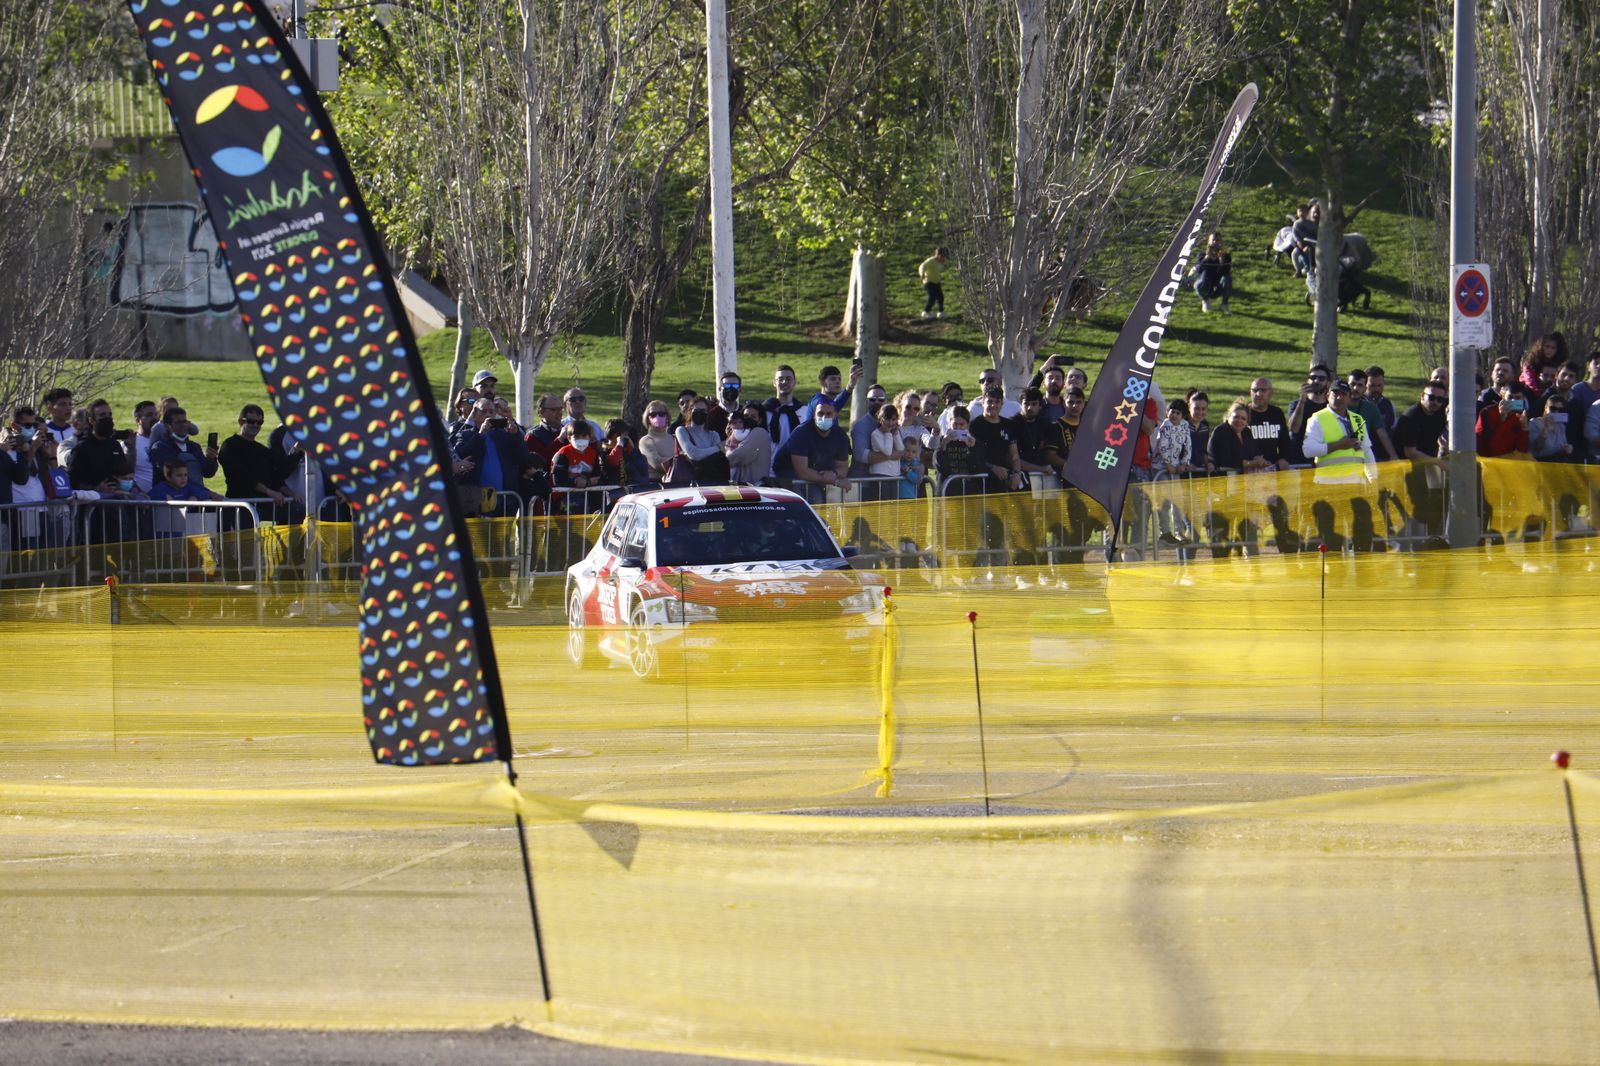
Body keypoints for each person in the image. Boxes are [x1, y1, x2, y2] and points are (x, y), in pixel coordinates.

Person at [218, 404, 298, 520]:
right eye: (251, 421)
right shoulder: (229, 445)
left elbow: (276, 476)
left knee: (297, 512)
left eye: (259, 422)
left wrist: (291, 494)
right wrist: (269, 492)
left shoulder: (262, 450)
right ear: (241, 421)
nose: (255, 425)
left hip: (265, 504)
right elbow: (241, 476)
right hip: (241, 506)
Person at [775, 398, 851, 501]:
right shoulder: (801, 433)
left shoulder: (840, 435)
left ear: (835, 415)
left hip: (819, 472)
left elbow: (843, 468)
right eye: (820, 413)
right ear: (814, 415)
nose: (824, 417)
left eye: (829, 414)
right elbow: (802, 472)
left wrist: (834, 474)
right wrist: (833, 480)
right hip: (790, 474)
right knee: (815, 498)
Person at [1302, 380, 1377, 483]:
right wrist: (1338, 445)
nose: (1339, 397)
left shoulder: (1357, 419)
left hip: (1356, 484)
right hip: (1329, 483)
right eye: (1335, 393)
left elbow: (1367, 451)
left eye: (1343, 394)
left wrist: (1373, 479)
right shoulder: (1317, 419)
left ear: (1349, 398)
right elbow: (1308, 450)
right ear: (1327, 396)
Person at [147, 406, 218, 489]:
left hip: (197, 494)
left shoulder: (194, 446)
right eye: (178, 423)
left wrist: (210, 459)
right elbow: (172, 476)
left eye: (185, 422)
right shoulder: (160, 448)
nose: (183, 425)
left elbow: (208, 473)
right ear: (167, 426)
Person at [968, 389, 1024, 492]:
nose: (993, 405)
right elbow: (972, 455)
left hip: (1003, 481)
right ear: (982, 402)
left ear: (1002, 403)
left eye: (997, 402)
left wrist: (1017, 473)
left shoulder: (1008, 425)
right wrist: (993, 468)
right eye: (989, 401)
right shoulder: (974, 425)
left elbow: (1014, 455)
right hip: (980, 482)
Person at [67, 399, 124, 495]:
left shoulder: (115, 445)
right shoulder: (82, 448)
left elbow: (124, 473)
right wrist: (95, 488)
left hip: (118, 498)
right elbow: (72, 482)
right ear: (91, 420)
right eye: (102, 415)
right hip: (93, 501)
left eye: (109, 415)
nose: (107, 418)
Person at [1345, 369, 1398, 461]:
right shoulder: (1338, 405)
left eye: (1360, 385)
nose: (1355, 388)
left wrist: (1393, 455)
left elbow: (1382, 433)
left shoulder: (1370, 408)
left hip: (1363, 456)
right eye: (1352, 384)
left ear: (1364, 388)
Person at [673, 397, 729, 484]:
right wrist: (718, 447)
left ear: (708, 413)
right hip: (687, 482)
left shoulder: (713, 435)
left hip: (711, 481)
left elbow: (718, 459)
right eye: (696, 410)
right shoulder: (681, 431)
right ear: (690, 411)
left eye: (703, 411)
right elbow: (694, 454)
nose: (700, 413)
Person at [933, 406, 984, 492]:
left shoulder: (973, 442)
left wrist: (972, 448)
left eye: (962, 424)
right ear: (949, 423)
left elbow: (979, 468)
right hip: (947, 490)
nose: (958, 428)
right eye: (955, 424)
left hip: (969, 491)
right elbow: (940, 467)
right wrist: (943, 446)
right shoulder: (942, 441)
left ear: (968, 425)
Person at [1476, 382, 1530, 457]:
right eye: (1510, 397)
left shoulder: (1521, 417)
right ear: (1503, 396)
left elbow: (1522, 450)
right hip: (1486, 460)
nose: (1513, 401)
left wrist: (1524, 428)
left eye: (1517, 398)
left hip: (1508, 461)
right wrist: (1502, 419)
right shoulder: (1487, 412)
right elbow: (1486, 446)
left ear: (1523, 399)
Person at [865, 402, 907, 499]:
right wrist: (888, 433)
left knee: (893, 504)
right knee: (882, 504)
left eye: (893, 420)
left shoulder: (893, 433)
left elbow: (901, 449)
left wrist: (895, 434)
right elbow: (887, 451)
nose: (891, 423)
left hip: (894, 474)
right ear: (880, 419)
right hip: (880, 475)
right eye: (887, 419)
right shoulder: (876, 434)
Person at [1207, 401, 1260, 475]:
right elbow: (1227, 460)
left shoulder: (1247, 432)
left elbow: (1255, 451)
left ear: (1247, 421)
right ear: (1228, 416)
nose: (1239, 421)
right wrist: (1251, 463)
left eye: (1243, 418)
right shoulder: (1220, 431)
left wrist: (1259, 459)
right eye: (1236, 417)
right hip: (1223, 476)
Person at [849, 384, 889, 478]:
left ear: (886, 402)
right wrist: (892, 455)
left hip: (883, 480)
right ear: (866, 401)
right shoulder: (860, 426)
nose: (877, 402)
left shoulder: (892, 424)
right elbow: (861, 456)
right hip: (862, 481)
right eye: (872, 399)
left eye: (881, 399)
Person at [763, 365, 804, 455]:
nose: (784, 382)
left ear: (794, 382)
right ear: (774, 383)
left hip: (798, 461)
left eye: (788, 379)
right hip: (771, 462)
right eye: (780, 379)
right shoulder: (764, 412)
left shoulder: (804, 411)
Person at [1152, 399, 1193, 479]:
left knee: (1176, 486)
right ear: (1168, 413)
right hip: (1160, 465)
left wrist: (1184, 463)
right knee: (1163, 485)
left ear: (1183, 416)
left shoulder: (1185, 425)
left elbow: (1188, 445)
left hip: (1175, 465)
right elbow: (1162, 446)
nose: (1174, 415)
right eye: (1172, 412)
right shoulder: (1166, 425)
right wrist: (1168, 465)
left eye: (1178, 413)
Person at [1192, 233, 1232, 313]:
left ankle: (1224, 304)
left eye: (1217, 240)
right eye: (1213, 240)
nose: (1215, 242)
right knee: (1199, 284)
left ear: (1221, 242)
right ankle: (1205, 301)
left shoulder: (1226, 256)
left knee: (1227, 279)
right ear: (1209, 242)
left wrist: (1221, 260)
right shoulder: (1202, 255)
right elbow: (1199, 270)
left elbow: (1226, 272)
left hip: (1218, 282)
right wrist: (1207, 257)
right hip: (1205, 282)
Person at [637, 400, 676, 482]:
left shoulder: (675, 438)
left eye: (661, 414)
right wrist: (679, 462)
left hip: (677, 481)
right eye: (653, 414)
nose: (657, 417)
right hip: (656, 483)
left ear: (667, 417)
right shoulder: (646, 440)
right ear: (648, 419)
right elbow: (656, 463)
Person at [1529, 393, 1574, 461]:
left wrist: (1568, 448)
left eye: (1560, 410)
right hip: (1541, 462)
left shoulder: (1561, 426)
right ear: (1546, 408)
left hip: (1558, 461)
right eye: (1553, 409)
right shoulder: (1534, 423)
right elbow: (1536, 449)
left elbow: (1562, 446)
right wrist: (1545, 431)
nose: (1556, 412)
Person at [706, 371, 743, 436]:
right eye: (726, 385)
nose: (730, 389)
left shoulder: (745, 413)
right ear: (720, 389)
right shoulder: (711, 415)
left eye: (735, 386)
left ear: (740, 389)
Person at [1185, 390, 1213, 475]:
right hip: (1183, 472)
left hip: (1199, 471)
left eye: (1203, 409)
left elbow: (1204, 450)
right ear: (1189, 407)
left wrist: (1208, 463)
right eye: (1196, 408)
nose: (1200, 412)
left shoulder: (1205, 425)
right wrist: (1184, 464)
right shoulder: (1182, 424)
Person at [1363, 365, 1397, 433]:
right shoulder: (1357, 404)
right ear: (1364, 385)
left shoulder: (1389, 405)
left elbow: (1393, 429)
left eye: (1379, 385)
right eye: (1372, 385)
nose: (1376, 389)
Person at [918, 246, 949, 319]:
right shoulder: (931, 261)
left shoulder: (940, 262)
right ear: (939, 255)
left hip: (936, 282)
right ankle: (925, 312)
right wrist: (922, 274)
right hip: (929, 282)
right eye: (944, 257)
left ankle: (941, 312)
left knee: (940, 297)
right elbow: (922, 266)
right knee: (932, 297)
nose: (944, 259)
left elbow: (941, 268)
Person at [1291, 202, 1318, 277]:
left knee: (1311, 252)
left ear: (1308, 213)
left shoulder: (1311, 224)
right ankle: (1297, 270)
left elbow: (1316, 234)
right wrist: (1298, 241)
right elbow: (1295, 234)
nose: (1302, 213)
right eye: (1300, 211)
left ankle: (1311, 269)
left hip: (1310, 244)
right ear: (1297, 213)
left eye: (1304, 211)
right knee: (1294, 254)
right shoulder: (1297, 223)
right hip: (1301, 244)